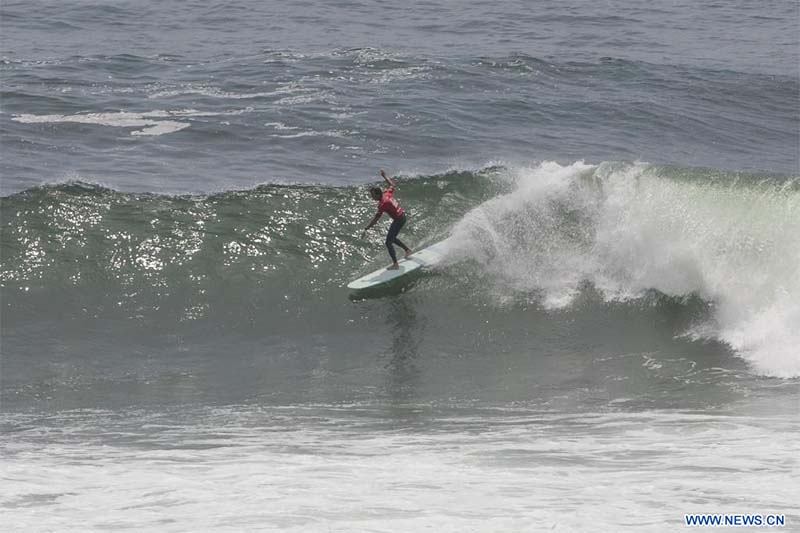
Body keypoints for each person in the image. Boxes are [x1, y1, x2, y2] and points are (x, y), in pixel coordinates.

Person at [361, 169, 413, 269]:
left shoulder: (382, 204)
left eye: (372, 195)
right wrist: (384, 176)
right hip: (402, 216)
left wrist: (366, 228)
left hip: (399, 220)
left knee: (388, 242)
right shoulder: (386, 193)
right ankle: (407, 250)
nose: (372, 197)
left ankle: (395, 264)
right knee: (392, 238)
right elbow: (392, 184)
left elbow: (376, 219)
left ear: (377, 194)